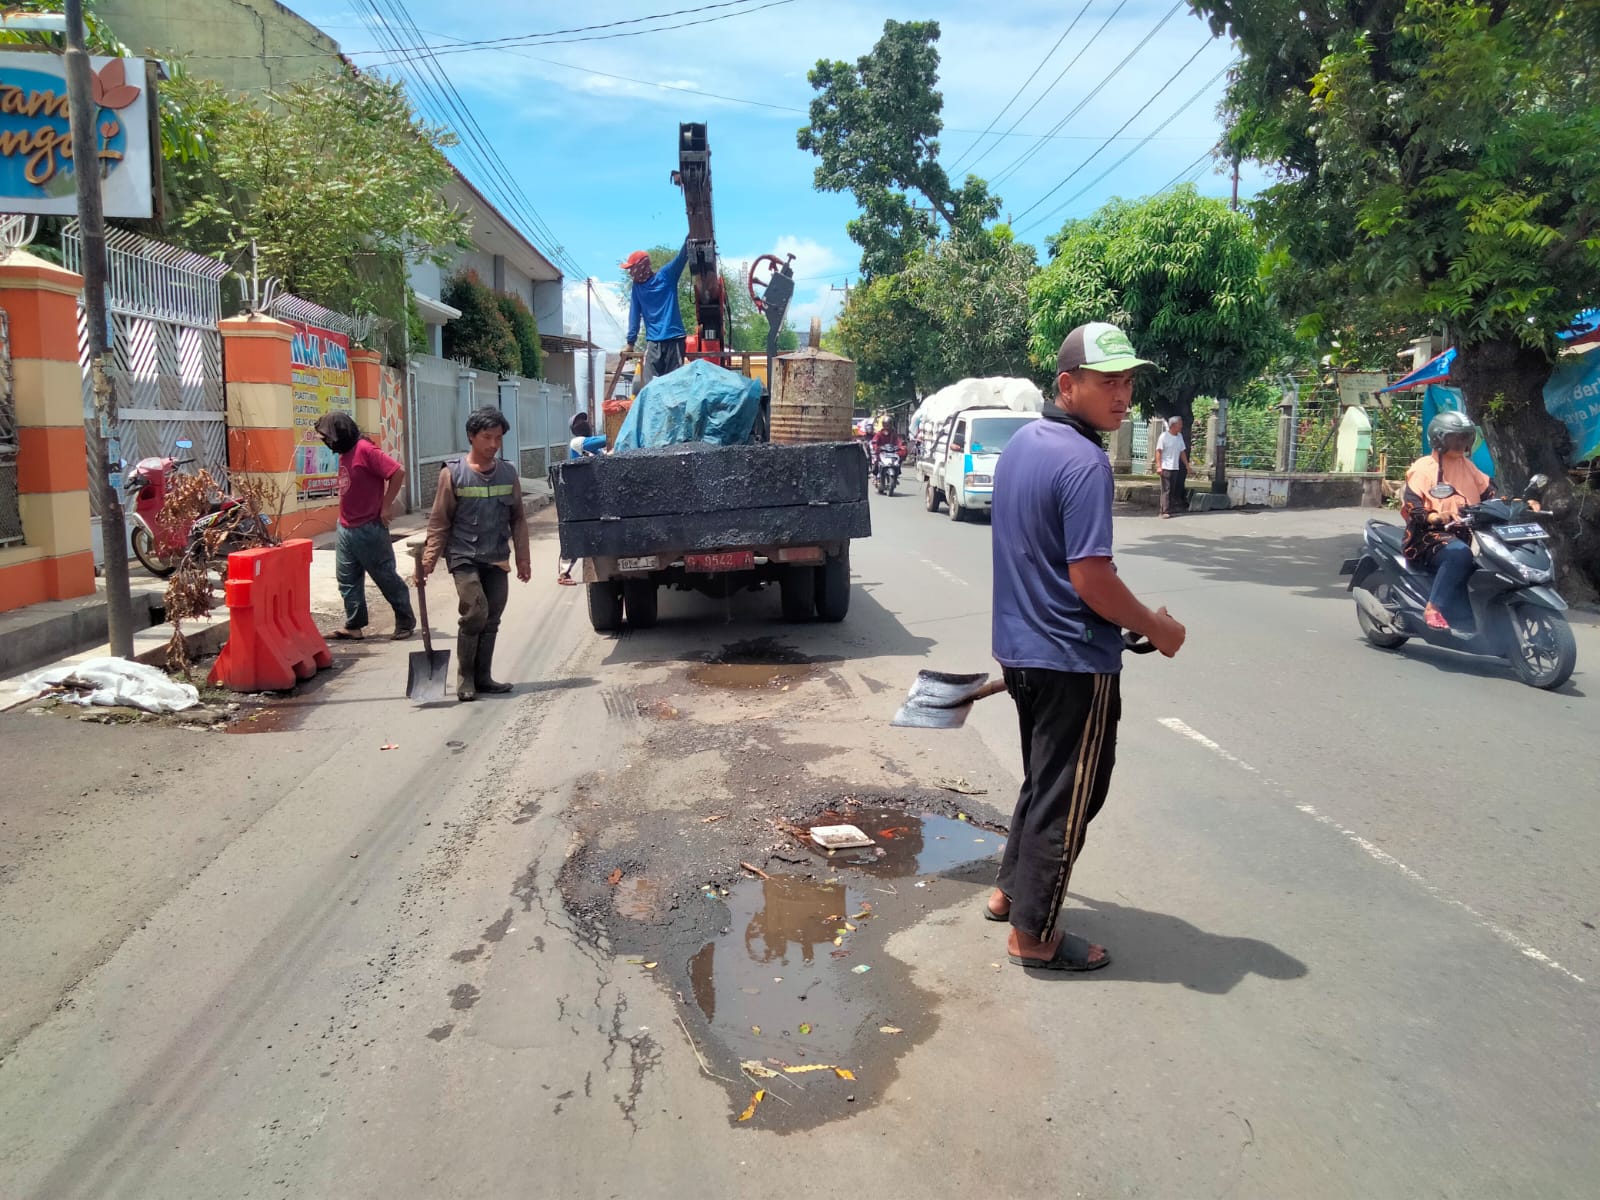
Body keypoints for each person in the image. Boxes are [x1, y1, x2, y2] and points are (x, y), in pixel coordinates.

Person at [987, 321, 1187, 971]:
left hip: (1021, 651)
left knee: (1046, 783)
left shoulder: (1023, 445)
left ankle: (1008, 893)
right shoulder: (1084, 462)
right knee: (1072, 796)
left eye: (1128, 381)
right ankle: (1034, 936)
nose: (1123, 395)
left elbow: (1037, 555)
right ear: (1067, 385)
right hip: (1071, 659)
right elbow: (1090, 577)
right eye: (1108, 382)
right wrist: (1156, 626)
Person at [417, 407, 532, 701]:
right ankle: (465, 678)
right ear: (471, 436)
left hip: (496, 556)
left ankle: (483, 678)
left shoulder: (508, 472)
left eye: (498, 438)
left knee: (492, 617)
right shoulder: (452, 473)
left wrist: (523, 559)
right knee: (475, 612)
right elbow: (440, 521)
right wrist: (428, 562)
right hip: (463, 556)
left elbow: (517, 518)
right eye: (486, 437)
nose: (493, 444)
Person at [313, 411, 414, 642]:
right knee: (347, 579)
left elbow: (397, 472)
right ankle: (354, 625)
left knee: (385, 576)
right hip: (346, 526)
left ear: (340, 434)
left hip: (369, 527)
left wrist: (386, 506)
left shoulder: (365, 450)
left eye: (327, 437)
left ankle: (405, 620)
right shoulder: (345, 451)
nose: (326, 443)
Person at [1402, 409, 1494, 630]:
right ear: (1439, 438)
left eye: (1466, 437)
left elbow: (1489, 493)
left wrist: (1516, 502)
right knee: (1459, 555)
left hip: (1468, 532)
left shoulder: (1467, 465)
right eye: (1456, 437)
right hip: (1428, 536)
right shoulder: (1423, 468)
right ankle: (1433, 608)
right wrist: (1434, 516)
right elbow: (1412, 504)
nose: (1462, 443)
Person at [623, 241, 689, 386]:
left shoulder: (666, 276)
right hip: (654, 342)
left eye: (632, 268)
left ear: (641, 267)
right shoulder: (637, 288)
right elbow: (634, 315)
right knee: (650, 386)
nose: (630, 273)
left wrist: (690, 238)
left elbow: (681, 257)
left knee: (674, 385)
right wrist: (630, 342)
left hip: (674, 339)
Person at [1155, 415, 1192, 518]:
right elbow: (1158, 451)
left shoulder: (1179, 436)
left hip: (1175, 467)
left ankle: (1170, 508)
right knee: (1166, 489)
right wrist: (1159, 466)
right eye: (1180, 424)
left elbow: (1182, 452)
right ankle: (1164, 511)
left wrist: (1187, 465)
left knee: (1173, 488)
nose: (1181, 426)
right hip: (1166, 467)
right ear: (1174, 425)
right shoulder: (1164, 436)